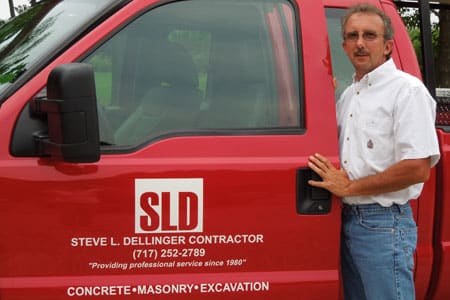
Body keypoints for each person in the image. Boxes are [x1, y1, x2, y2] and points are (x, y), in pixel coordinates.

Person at [308, 3, 440, 300]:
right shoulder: (348, 96)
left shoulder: (407, 91)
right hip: (348, 219)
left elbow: (417, 168)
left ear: (388, 45)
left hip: (384, 224)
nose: (360, 43)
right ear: (343, 46)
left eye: (370, 35)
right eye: (352, 36)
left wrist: (351, 186)